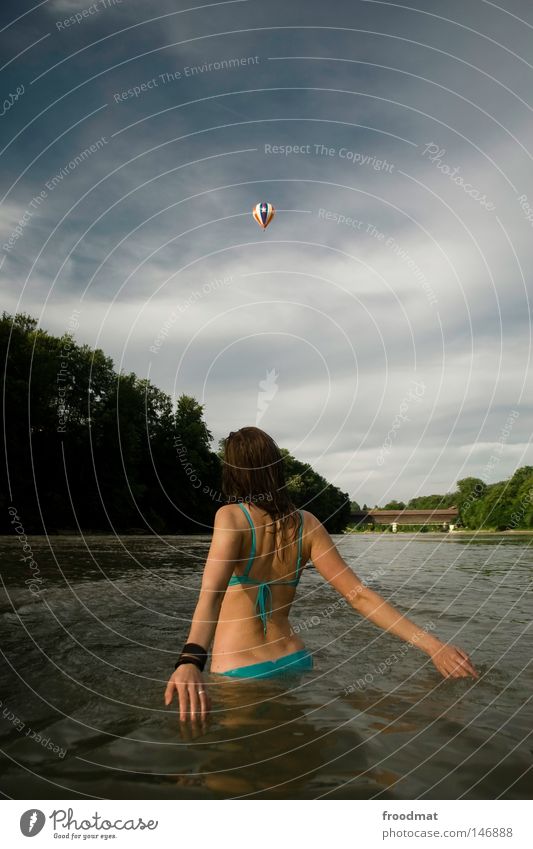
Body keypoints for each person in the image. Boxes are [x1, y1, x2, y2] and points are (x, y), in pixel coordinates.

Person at [164, 427, 478, 721]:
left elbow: (211, 598)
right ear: (276, 468)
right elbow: (360, 597)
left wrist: (190, 661)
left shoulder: (231, 517)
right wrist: (433, 646)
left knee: (239, 771)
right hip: (296, 661)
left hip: (240, 671)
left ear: (233, 472)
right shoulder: (307, 524)